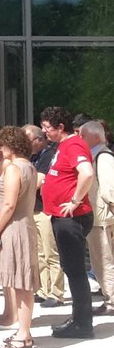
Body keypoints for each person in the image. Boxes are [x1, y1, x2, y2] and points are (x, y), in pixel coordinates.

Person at [40, 105, 96, 339]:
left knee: (75, 272)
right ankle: (79, 318)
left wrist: (74, 201)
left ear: (60, 127)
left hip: (71, 218)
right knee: (72, 269)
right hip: (62, 217)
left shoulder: (73, 145)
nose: (44, 132)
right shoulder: (62, 146)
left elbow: (87, 172)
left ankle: (83, 324)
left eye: (47, 127)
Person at [0, 126, 39, 348]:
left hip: (13, 228)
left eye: (3, 144)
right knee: (22, 282)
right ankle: (24, 332)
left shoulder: (15, 168)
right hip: (25, 226)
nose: (1, 148)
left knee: (20, 283)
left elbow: (8, 204)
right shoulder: (30, 167)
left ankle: (24, 334)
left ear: (11, 145)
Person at [24, 123, 65, 308]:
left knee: (51, 252)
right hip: (33, 208)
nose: (25, 144)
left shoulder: (49, 155)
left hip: (45, 210)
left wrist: (20, 188)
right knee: (39, 253)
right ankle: (43, 289)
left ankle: (56, 293)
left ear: (39, 140)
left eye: (28, 140)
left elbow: (39, 181)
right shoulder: (32, 156)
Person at [78, 120, 114, 317]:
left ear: (95, 137)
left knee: (104, 260)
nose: (80, 139)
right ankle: (108, 298)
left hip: (103, 219)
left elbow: (110, 190)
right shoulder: (95, 155)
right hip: (97, 217)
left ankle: (111, 301)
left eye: (83, 135)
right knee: (99, 261)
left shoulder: (103, 157)